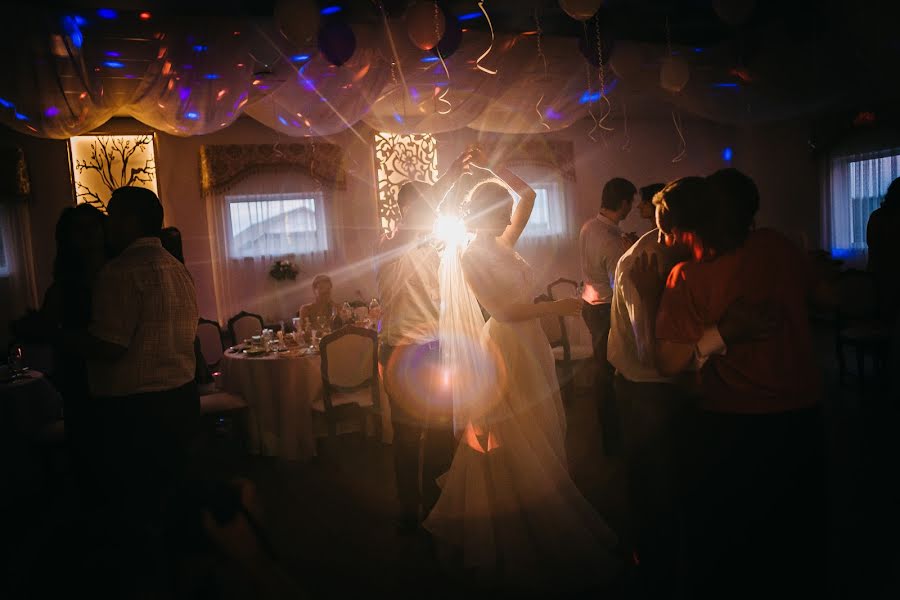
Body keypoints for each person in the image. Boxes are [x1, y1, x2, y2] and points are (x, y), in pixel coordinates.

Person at [424, 157, 620, 592]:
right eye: (497, 211)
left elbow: (527, 195)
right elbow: (503, 310)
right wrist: (558, 307)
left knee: (542, 427)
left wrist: (491, 166)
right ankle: (520, 516)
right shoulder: (473, 254)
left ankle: (536, 495)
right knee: (515, 432)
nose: (506, 216)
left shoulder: (502, 240)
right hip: (507, 346)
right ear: (481, 217)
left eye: (503, 210)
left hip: (529, 344)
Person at [631, 171, 828, 597]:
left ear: (686, 231)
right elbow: (822, 295)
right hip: (804, 413)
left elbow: (666, 361)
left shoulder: (685, 278)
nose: (661, 242)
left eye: (664, 232)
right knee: (797, 532)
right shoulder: (776, 245)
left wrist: (653, 300)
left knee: (730, 540)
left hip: (734, 423)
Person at [76, 187, 199, 537]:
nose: (106, 225)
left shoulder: (120, 271)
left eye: (111, 215)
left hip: (137, 407)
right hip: (182, 399)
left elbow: (111, 346)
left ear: (130, 221)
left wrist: (61, 337)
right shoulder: (178, 270)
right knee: (174, 494)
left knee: (137, 505)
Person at [376, 149, 474, 534]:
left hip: (435, 349)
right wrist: (450, 173)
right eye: (427, 209)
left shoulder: (433, 248)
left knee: (437, 433)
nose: (434, 214)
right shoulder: (389, 245)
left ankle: (437, 505)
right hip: (401, 350)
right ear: (407, 211)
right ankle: (408, 510)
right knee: (406, 435)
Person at [579, 177, 638, 456]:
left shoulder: (588, 227)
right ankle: (613, 439)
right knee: (611, 371)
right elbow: (620, 284)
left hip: (589, 305)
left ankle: (607, 435)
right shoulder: (612, 240)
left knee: (602, 369)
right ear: (624, 204)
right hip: (605, 308)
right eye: (631, 203)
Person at [867, 176, 900, 321]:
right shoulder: (884, 218)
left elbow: (872, 245)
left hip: (878, 275)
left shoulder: (876, 216)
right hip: (887, 276)